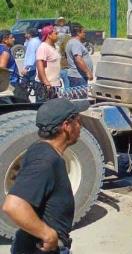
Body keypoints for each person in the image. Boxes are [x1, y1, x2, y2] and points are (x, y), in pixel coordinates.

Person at [2, 98, 87, 254]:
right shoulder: (46, 161)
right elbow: (13, 205)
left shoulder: (40, 149)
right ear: (66, 126)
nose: (80, 126)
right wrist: (48, 235)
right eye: (78, 120)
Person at [0, 30, 28, 104]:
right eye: (11, 38)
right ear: (5, 40)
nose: (14, 39)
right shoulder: (5, 52)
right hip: (11, 84)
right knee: (24, 105)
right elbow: (2, 69)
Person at [64, 23, 93, 88]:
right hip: (78, 77)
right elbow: (78, 59)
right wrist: (88, 72)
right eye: (83, 32)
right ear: (78, 33)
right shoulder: (75, 43)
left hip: (78, 76)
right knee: (80, 97)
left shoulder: (72, 42)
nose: (85, 34)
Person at [36, 26, 62, 92]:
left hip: (55, 84)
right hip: (46, 85)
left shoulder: (55, 47)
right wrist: (46, 82)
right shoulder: (43, 47)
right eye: (55, 34)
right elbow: (40, 65)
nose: (57, 35)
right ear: (49, 35)